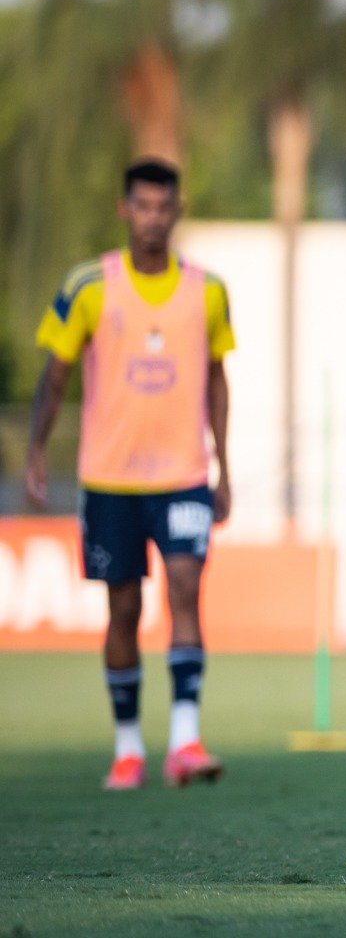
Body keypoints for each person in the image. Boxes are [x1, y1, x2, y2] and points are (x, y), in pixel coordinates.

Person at [25, 158, 234, 792]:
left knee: (184, 585)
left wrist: (223, 463)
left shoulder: (208, 290)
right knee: (122, 608)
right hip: (110, 478)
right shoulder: (89, 285)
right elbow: (56, 372)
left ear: (177, 211)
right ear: (125, 210)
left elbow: (218, 379)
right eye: (140, 207)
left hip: (183, 474)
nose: (151, 218)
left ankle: (185, 741)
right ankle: (126, 749)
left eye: (162, 207)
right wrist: (35, 449)